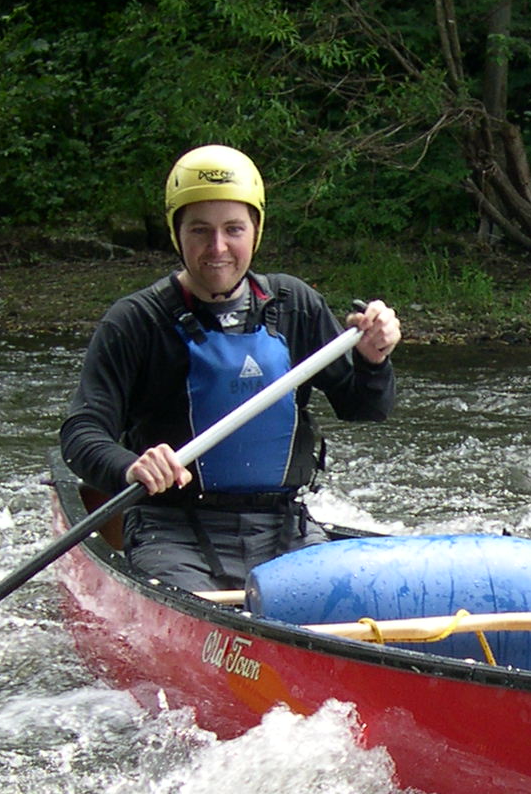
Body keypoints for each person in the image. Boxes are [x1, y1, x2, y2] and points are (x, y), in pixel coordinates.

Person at [60, 144, 403, 592]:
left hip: (283, 529)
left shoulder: (294, 305)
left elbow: (365, 408)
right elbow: (80, 433)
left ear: (255, 233)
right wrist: (132, 466)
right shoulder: (137, 321)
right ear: (176, 234)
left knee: (346, 603)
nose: (217, 248)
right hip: (171, 529)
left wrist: (373, 359)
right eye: (200, 230)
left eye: (233, 229)